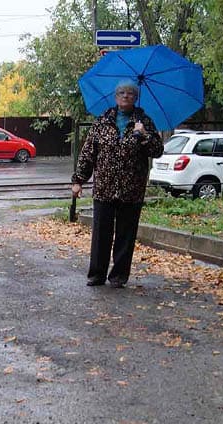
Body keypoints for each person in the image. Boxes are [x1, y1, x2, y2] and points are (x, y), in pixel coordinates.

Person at [71, 78, 164, 287]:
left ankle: (119, 276)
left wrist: (144, 136)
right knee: (101, 234)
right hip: (104, 187)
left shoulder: (145, 122)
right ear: (115, 97)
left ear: (136, 98)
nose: (126, 96)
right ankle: (97, 274)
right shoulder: (102, 121)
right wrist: (78, 180)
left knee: (126, 235)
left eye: (130, 93)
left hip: (132, 189)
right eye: (122, 93)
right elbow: (88, 153)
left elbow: (157, 151)